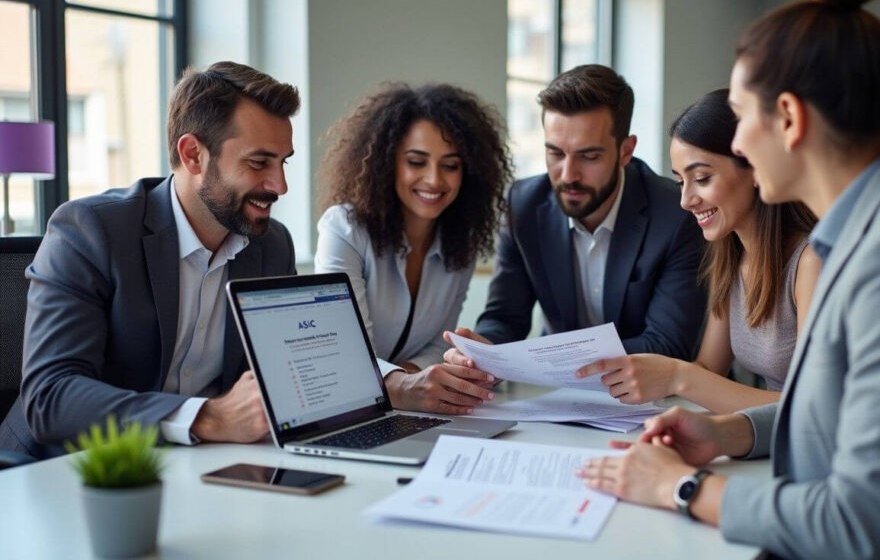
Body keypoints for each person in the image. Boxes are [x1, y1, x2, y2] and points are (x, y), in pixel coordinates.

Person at [579, 0, 880, 558]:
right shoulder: (866, 239)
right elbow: (826, 420)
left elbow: (862, 522)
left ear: (788, 118)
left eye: (739, 118)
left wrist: (679, 487)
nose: (738, 140)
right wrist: (722, 433)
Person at [0, 62, 301, 459]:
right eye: (259, 163)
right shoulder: (91, 230)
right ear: (193, 155)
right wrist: (206, 417)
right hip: (67, 468)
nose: (279, 185)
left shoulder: (271, 244)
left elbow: (292, 363)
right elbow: (51, 397)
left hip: (197, 463)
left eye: (284, 162)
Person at [444, 64, 706, 368]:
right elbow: (505, 318)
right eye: (555, 153)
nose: (568, 175)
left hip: (661, 400)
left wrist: (545, 357)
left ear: (625, 151)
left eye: (589, 156)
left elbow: (666, 344)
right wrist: (482, 352)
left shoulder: (676, 212)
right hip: (559, 396)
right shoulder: (523, 206)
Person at [575, 89, 819, 411]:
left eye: (701, 178)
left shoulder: (811, 262)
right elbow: (708, 371)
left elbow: (808, 408)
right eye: (680, 182)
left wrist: (678, 375)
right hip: (765, 440)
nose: (685, 200)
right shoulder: (731, 256)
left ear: (755, 170)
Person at [315, 84, 513, 416]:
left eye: (450, 165)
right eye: (416, 162)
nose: (434, 180)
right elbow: (344, 351)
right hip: (341, 410)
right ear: (387, 162)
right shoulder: (344, 229)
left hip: (407, 411)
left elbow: (439, 343)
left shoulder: (459, 243)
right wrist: (403, 385)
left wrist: (406, 380)